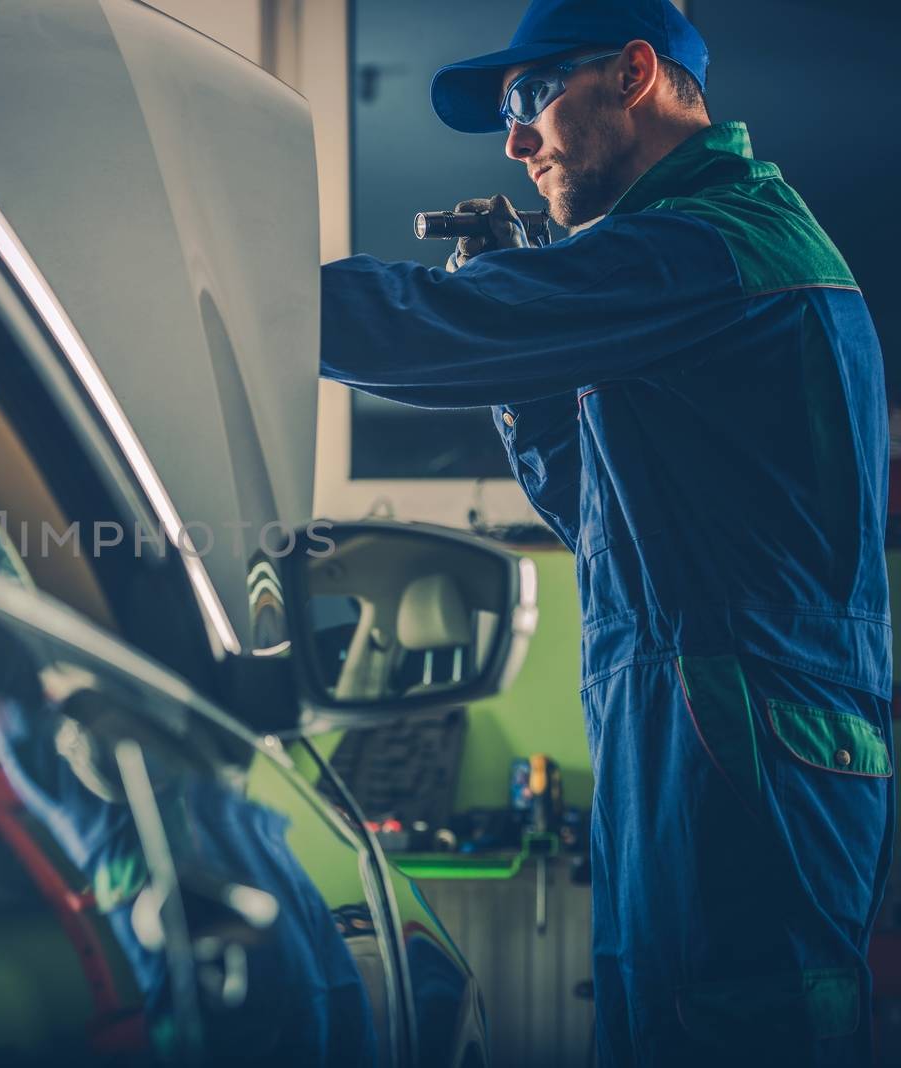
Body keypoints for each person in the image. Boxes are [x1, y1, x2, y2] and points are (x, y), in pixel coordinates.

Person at [318, 0, 893, 1063]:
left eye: (531, 97)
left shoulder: (710, 243)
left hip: (744, 721)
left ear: (634, 73)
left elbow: (415, 332)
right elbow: (590, 511)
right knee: (657, 1021)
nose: (515, 140)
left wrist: (235, 285)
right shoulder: (678, 261)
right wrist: (527, 310)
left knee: (729, 1028)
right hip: (696, 713)